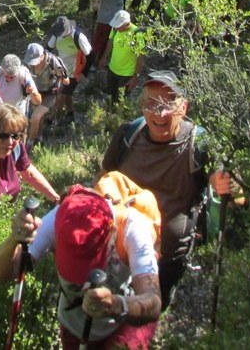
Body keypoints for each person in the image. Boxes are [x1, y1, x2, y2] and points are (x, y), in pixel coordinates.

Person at [100, 72, 234, 310]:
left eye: (168, 104)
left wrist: (225, 184)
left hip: (168, 256)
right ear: (142, 106)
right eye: (152, 103)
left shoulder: (199, 144)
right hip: (119, 252)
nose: (160, 112)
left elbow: (219, 176)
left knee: (151, 308)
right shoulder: (127, 136)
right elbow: (103, 177)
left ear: (184, 107)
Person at [0, 183, 161, 349]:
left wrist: (116, 305)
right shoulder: (59, 218)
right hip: (74, 326)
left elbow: (153, 302)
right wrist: (14, 239)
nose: (82, 282)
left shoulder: (133, 228)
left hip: (122, 326)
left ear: (111, 233)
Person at [44, 15, 92, 126]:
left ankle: (51, 120)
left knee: (61, 94)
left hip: (75, 72)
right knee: (67, 94)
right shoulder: (57, 36)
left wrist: (84, 73)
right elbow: (47, 49)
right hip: (61, 71)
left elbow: (90, 56)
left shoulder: (78, 37)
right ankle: (70, 114)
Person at [91, 0, 141, 65]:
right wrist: (95, 4)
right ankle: (89, 64)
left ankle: (100, 62)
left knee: (108, 42)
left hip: (116, 20)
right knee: (98, 42)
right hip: (105, 19)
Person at [99, 10, 145, 108]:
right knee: (109, 95)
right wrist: (104, 58)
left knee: (120, 100)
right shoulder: (115, 29)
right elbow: (110, 42)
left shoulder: (137, 34)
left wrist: (136, 76)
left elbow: (140, 57)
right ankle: (108, 114)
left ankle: (116, 118)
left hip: (126, 74)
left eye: (118, 25)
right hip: (112, 69)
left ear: (126, 23)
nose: (116, 27)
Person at [23, 42, 69, 141]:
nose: (33, 63)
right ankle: (39, 137)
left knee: (35, 117)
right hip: (36, 92)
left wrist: (61, 76)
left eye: (35, 60)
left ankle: (28, 144)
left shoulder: (53, 62)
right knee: (38, 118)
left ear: (42, 56)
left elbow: (66, 81)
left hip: (50, 93)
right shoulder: (27, 63)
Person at [0, 53, 41, 118]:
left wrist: (33, 92)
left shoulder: (24, 76)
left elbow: (37, 102)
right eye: (6, 76)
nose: (8, 79)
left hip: (16, 114)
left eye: (12, 77)